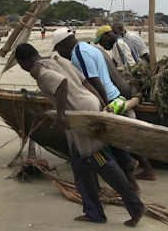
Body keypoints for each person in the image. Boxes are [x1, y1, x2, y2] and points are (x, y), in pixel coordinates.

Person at [14, 43, 145, 226]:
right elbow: (85, 82)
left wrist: (59, 115)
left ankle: (135, 206)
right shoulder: (58, 60)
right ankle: (94, 212)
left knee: (101, 160)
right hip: (88, 105)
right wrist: (99, 104)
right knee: (79, 164)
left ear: (22, 62)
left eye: (20, 64)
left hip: (78, 113)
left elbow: (61, 84)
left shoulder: (38, 71)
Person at [52, 28, 148, 184]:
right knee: (123, 140)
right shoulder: (87, 47)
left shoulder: (79, 54)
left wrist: (104, 107)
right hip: (114, 95)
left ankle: (130, 178)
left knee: (114, 143)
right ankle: (139, 169)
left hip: (108, 100)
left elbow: (94, 82)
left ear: (63, 45)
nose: (61, 54)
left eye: (59, 50)